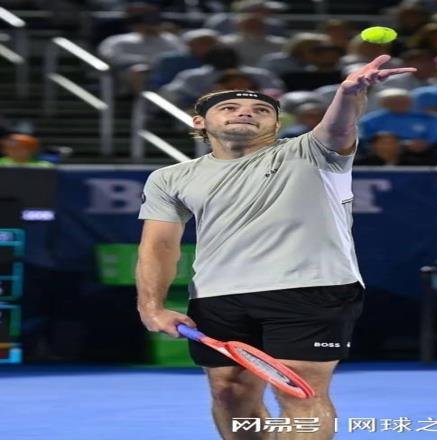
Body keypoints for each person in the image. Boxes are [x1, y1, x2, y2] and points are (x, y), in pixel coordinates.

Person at [136, 55, 415, 439]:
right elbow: (160, 245)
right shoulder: (170, 178)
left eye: (261, 110)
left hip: (311, 288)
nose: (245, 113)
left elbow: (338, 126)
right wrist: (151, 307)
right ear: (199, 122)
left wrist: (349, 94)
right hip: (218, 295)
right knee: (229, 392)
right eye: (229, 107)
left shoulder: (312, 151)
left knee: (299, 391)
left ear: (277, 125)